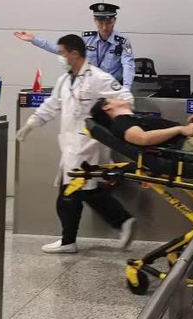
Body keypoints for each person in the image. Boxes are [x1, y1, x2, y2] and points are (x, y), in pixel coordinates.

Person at [16, 34, 137, 254]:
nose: (60, 57)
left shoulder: (98, 77)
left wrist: (107, 119)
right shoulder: (65, 80)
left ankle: (69, 241)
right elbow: (51, 105)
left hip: (87, 145)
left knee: (69, 194)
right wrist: (31, 124)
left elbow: (126, 98)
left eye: (62, 53)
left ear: (74, 53)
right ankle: (122, 221)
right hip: (70, 144)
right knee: (87, 191)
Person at [14, 2, 136, 89]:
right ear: (95, 21)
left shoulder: (122, 41)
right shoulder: (87, 39)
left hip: (111, 87)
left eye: (108, 23)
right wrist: (34, 40)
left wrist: (125, 90)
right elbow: (63, 50)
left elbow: (128, 66)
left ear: (114, 21)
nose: (104, 27)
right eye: (100, 23)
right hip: (89, 87)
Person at [90, 98, 193, 165]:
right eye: (113, 98)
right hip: (186, 146)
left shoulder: (131, 118)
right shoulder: (120, 123)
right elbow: (143, 138)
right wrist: (180, 129)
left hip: (192, 140)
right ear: (106, 107)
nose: (117, 98)